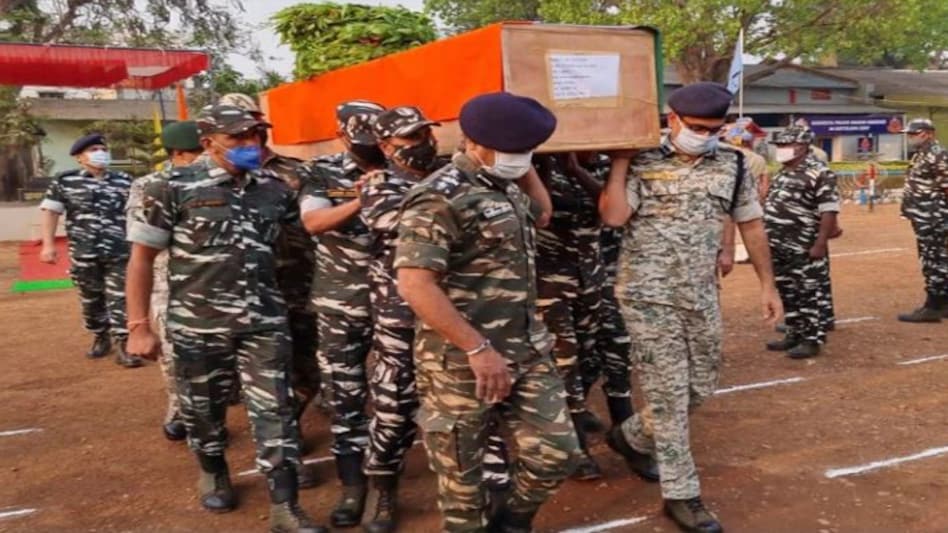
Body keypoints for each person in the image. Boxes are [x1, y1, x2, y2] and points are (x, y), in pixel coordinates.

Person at [124, 104, 326, 533]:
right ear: (207, 141)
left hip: (264, 321)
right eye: (238, 138)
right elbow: (141, 259)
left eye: (256, 136)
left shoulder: (273, 188)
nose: (250, 145)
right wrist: (138, 326)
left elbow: (299, 243)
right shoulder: (168, 186)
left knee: (275, 410)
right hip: (197, 323)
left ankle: (285, 507)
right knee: (203, 410)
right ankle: (213, 470)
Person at [600, 82, 782, 533]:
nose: (705, 135)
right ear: (673, 119)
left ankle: (629, 436)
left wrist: (768, 285)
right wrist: (620, 162)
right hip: (647, 294)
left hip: (700, 294)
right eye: (697, 127)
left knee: (701, 385)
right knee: (668, 395)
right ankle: (683, 495)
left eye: (715, 129)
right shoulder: (642, 160)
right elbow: (614, 217)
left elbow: (751, 226)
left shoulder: (733, 164)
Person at [395, 92, 578, 533]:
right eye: (515, 151)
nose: (522, 159)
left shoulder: (503, 184)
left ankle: (512, 522)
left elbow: (544, 215)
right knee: (462, 480)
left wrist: (521, 159)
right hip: (460, 360)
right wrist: (477, 348)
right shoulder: (439, 198)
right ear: (474, 142)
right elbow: (415, 284)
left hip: (525, 347)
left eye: (528, 151)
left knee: (557, 451)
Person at [220, 93, 320, 488]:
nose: (251, 136)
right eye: (241, 129)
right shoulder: (204, 179)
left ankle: (287, 428)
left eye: (256, 127)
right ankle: (280, 450)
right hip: (245, 295)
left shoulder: (296, 172)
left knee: (307, 372)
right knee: (263, 376)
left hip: (299, 287)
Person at [298, 101, 385, 528]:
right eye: (364, 143)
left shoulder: (408, 163)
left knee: (396, 397)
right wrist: (363, 199)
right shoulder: (321, 172)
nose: (374, 150)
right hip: (340, 304)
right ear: (342, 136)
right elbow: (314, 222)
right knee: (345, 397)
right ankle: (353, 488)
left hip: (398, 302)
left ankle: (385, 487)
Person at [360, 106, 442, 532]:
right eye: (412, 138)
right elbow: (396, 221)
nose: (424, 145)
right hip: (399, 315)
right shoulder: (379, 185)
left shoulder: (448, 175)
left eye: (426, 135)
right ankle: (383, 489)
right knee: (394, 407)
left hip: (450, 313)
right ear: (386, 147)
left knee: (468, 407)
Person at [124, 120, 203, 441]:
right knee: (175, 352)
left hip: (212, 279)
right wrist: (138, 323)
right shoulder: (150, 185)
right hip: (169, 281)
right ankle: (179, 407)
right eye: (197, 152)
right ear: (179, 154)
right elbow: (141, 246)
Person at [533, 151, 608, 480]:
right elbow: (540, 214)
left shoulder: (604, 165)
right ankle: (576, 448)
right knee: (564, 362)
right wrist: (550, 165)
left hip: (590, 277)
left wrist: (577, 170)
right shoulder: (536, 168)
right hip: (550, 283)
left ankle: (574, 410)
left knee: (589, 354)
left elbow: (610, 208)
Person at [39, 133, 143, 368]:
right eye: (93, 149)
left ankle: (124, 344)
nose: (100, 153)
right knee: (90, 299)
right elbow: (51, 212)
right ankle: (100, 336)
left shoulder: (124, 180)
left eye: (102, 148)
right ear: (79, 157)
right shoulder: (65, 181)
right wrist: (48, 245)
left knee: (122, 297)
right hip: (84, 251)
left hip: (120, 250)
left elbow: (138, 213)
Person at [764, 125, 840, 359]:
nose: (781, 150)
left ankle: (812, 339)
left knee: (808, 292)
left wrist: (820, 243)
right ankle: (794, 334)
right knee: (788, 290)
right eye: (779, 145)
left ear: (803, 146)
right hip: (779, 244)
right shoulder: (783, 172)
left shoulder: (820, 172)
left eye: (786, 145)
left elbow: (829, 210)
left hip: (804, 244)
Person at [897, 118, 948, 322]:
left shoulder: (938, 155)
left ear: (927, 133)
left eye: (913, 134)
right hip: (923, 215)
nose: (909, 138)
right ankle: (943, 303)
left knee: (933, 260)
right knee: (936, 259)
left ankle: (933, 306)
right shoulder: (921, 154)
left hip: (934, 217)